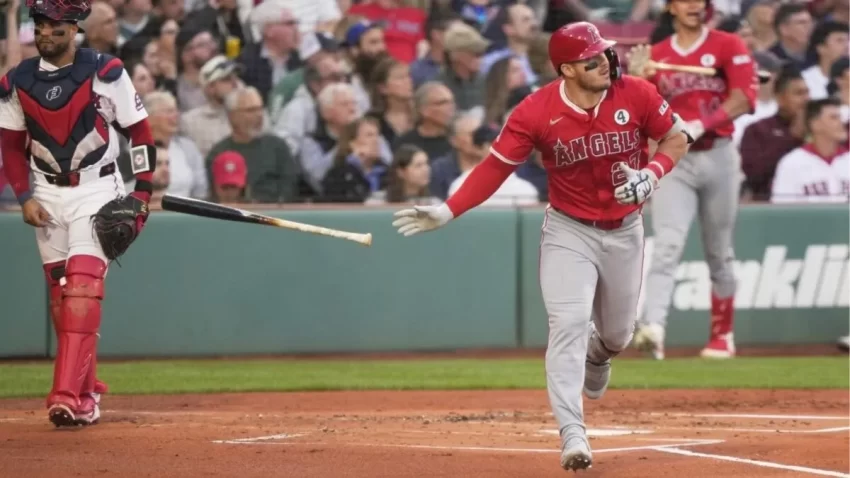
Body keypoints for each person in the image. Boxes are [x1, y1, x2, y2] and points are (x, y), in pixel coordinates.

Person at [390, 22, 690, 472]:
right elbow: (494, 168)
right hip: (570, 229)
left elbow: (678, 136)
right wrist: (449, 210)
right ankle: (573, 434)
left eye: (605, 54)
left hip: (626, 228)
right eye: (592, 59)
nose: (605, 62)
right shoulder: (535, 111)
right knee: (568, 322)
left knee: (618, 335)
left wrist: (653, 173)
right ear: (567, 69)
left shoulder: (636, 93)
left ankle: (598, 354)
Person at [0, 0, 156, 427]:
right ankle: (86, 391)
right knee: (61, 296)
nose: (46, 34)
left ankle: (67, 396)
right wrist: (24, 197)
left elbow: (140, 132)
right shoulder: (17, 80)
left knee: (82, 288)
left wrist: (143, 191)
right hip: (47, 193)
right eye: (40, 27)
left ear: (74, 30)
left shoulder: (106, 72)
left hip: (98, 187)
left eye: (55, 27)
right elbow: (10, 146)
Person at [627, 0, 759, 360]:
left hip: (719, 153)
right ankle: (654, 329)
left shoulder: (728, 44)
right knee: (667, 245)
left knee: (719, 250)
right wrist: (636, 79)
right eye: (685, 0)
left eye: (700, 0)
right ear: (671, 7)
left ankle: (722, 335)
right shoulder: (657, 54)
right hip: (675, 157)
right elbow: (636, 111)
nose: (694, 6)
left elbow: (744, 97)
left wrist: (703, 123)